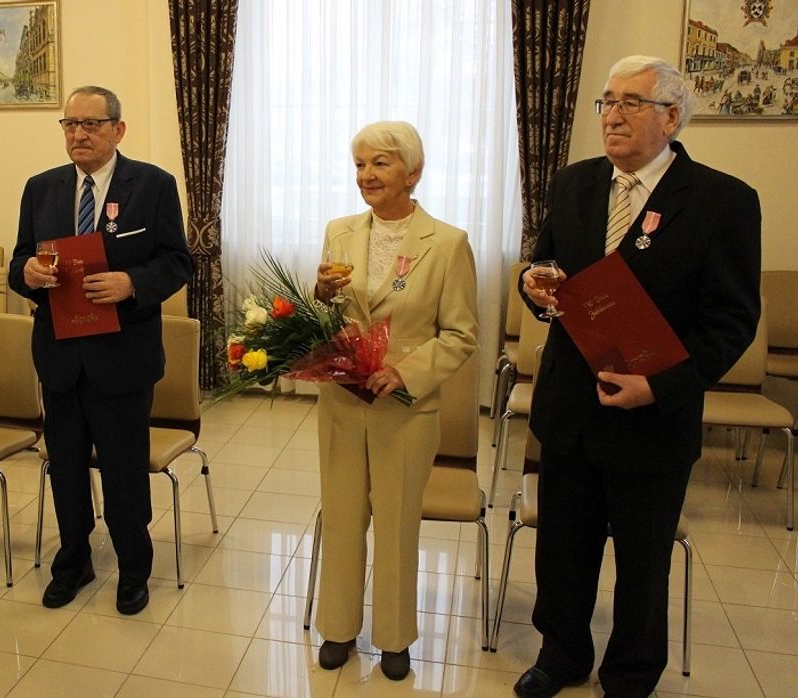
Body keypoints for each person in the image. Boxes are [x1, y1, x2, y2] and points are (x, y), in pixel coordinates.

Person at [515, 56, 760, 698]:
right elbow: (545, 262)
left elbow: (732, 323)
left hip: (653, 416)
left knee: (643, 562)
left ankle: (629, 674)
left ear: (671, 117)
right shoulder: (574, 183)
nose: (612, 114)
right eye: (606, 101)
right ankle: (561, 654)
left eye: (630, 102)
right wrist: (531, 283)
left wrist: (660, 386)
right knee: (562, 550)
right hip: (570, 408)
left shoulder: (722, 201)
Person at [8, 85, 192, 616]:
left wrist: (131, 284)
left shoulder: (152, 185)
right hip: (61, 356)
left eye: (90, 124)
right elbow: (22, 257)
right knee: (65, 467)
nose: (79, 134)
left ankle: (134, 569)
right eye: (70, 124)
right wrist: (27, 272)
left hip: (122, 356)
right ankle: (73, 560)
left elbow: (177, 261)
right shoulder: (40, 188)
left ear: (118, 129)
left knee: (123, 471)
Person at [311, 121, 478, 681]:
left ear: (413, 172)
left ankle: (395, 636)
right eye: (359, 164)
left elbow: (459, 335)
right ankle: (336, 626)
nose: (366, 176)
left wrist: (404, 372)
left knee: (397, 524)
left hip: (404, 407)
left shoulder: (448, 243)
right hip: (342, 400)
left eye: (380, 164)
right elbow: (328, 315)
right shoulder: (339, 231)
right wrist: (321, 298)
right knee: (340, 515)